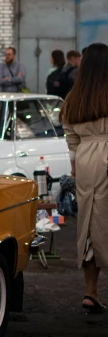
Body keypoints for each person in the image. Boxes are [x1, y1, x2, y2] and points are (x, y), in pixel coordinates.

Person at [60, 42, 108, 313]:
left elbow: (72, 141)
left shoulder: (73, 99)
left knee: (89, 225)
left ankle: (91, 292)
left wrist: (76, 171)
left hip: (86, 162)